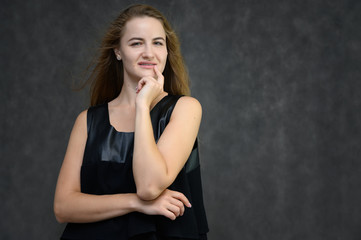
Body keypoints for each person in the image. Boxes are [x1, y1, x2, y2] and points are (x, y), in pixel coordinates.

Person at [54, 4, 208, 240]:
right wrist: (136, 203)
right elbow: (63, 207)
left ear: (167, 51)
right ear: (118, 51)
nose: (149, 52)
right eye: (136, 43)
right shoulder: (87, 121)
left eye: (158, 42)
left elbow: (149, 186)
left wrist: (142, 106)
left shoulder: (186, 108)